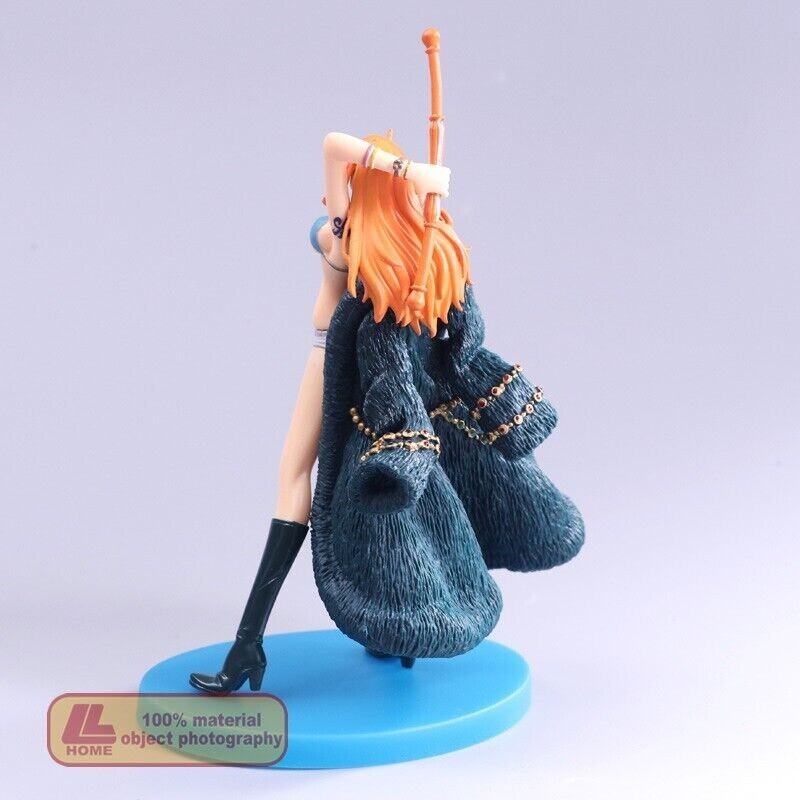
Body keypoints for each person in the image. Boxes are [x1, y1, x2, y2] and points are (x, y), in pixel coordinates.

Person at [189, 131, 583, 694]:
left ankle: (248, 643)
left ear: (363, 193)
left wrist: (401, 173)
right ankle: (387, 637)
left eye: (349, 187)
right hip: (387, 374)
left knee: (293, 479)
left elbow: (333, 145)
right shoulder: (424, 250)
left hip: (331, 365)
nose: (333, 195)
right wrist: (415, 179)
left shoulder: (342, 236)